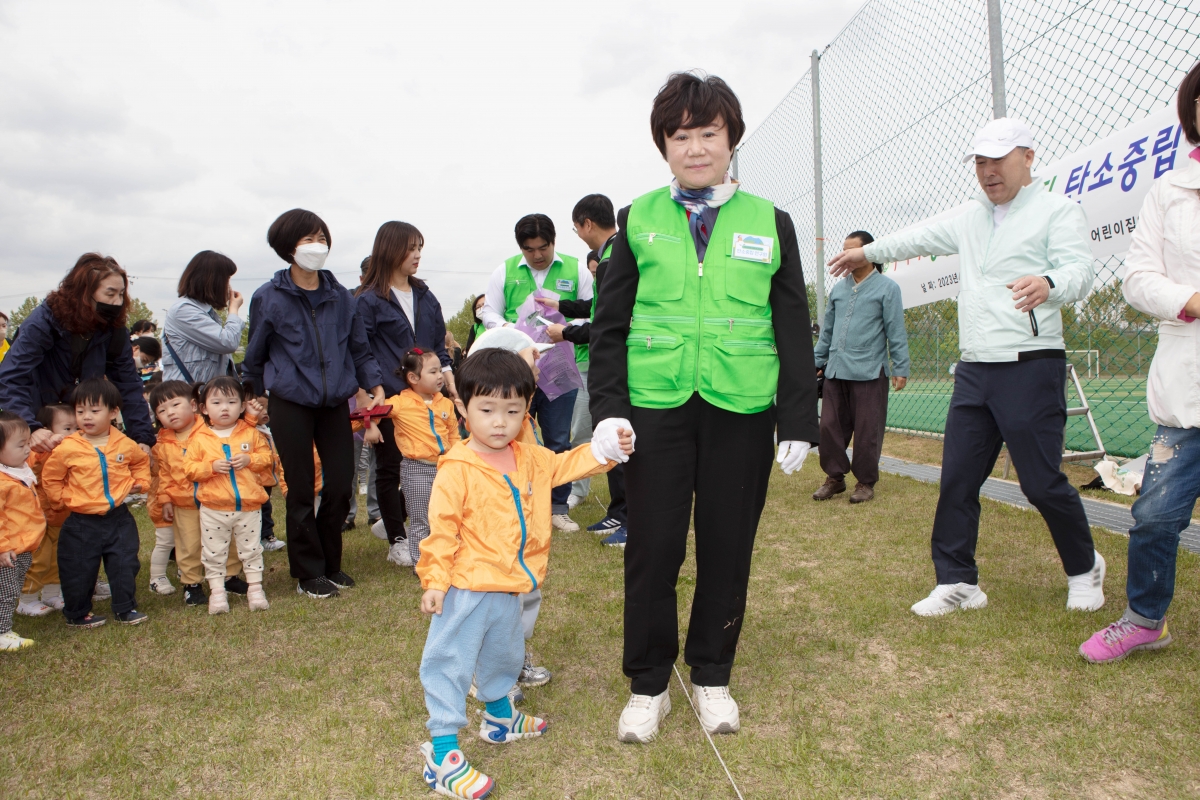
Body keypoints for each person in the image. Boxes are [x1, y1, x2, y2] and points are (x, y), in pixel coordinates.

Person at [589, 72, 819, 742]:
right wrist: (608, 409)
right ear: (664, 144)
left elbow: (792, 324)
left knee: (727, 547)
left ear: (731, 140)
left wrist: (798, 419)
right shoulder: (636, 219)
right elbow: (610, 326)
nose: (695, 148)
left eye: (708, 134)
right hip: (654, 407)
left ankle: (712, 674)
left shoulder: (770, 221)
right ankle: (648, 685)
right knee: (653, 549)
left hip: (740, 407)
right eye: (681, 135)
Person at [828, 116, 1105, 617]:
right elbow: (914, 239)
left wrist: (1049, 284)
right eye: (980, 162)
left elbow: (1080, 271)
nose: (988, 171)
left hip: (1030, 363)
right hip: (975, 369)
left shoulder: (1057, 210)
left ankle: (1085, 568)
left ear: (1028, 158)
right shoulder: (970, 217)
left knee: (1040, 482)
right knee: (956, 479)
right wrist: (863, 252)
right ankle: (957, 581)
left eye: (998, 160)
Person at [415, 348, 632, 797]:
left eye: (512, 411)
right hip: (466, 588)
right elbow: (442, 530)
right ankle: (442, 754)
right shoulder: (457, 467)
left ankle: (499, 717)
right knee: (450, 663)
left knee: (504, 655)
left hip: (511, 587)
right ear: (463, 408)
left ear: (527, 408)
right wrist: (435, 581)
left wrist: (605, 447)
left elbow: (567, 464)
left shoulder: (530, 457)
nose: (500, 422)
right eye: (487, 410)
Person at [1080, 63, 1200, 663]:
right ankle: (1145, 620)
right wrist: (1190, 299)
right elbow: (1137, 278)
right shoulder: (1169, 191)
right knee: (1155, 514)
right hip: (1187, 386)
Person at [241, 208, 385, 599]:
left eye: (321, 238)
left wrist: (372, 383)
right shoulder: (268, 297)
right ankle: (308, 572)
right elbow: (255, 353)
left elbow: (359, 347)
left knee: (340, 484)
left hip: (335, 400)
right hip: (290, 401)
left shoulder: (341, 296)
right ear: (288, 247)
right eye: (308, 239)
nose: (317, 246)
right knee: (302, 486)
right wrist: (253, 394)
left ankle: (330, 563)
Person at [480, 213, 593, 532]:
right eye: (530, 249)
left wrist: (567, 328)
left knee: (558, 439)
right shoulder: (505, 271)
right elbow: (488, 311)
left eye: (543, 247)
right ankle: (516, 503)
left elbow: (593, 310)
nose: (538, 255)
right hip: (517, 371)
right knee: (512, 438)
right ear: (521, 248)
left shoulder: (576, 269)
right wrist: (507, 327)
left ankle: (558, 507)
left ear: (554, 241)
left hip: (559, 368)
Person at [356, 222, 453, 554]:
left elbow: (438, 344)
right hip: (390, 395)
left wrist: (449, 380)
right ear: (389, 250)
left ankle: (395, 519)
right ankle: (397, 539)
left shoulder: (425, 295)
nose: (417, 255)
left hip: (428, 397)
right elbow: (361, 349)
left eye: (419, 248)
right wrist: (370, 390)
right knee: (390, 466)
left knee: (429, 461)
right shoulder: (368, 300)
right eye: (410, 248)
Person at [0, 254, 156, 452]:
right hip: (41, 425)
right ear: (84, 292)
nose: (117, 302)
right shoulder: (44, 322)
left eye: (121, 294)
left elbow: (128, 384)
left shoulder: (114, 331)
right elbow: (12, 376)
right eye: (110, 294)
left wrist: (142, 436)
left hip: (83, 427)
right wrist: (30, 427)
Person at [548, 194, 628, 543]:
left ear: (586, 224)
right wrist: (561, 305)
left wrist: (564, 333)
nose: (578, 234)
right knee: (609, 434)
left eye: (576, 228)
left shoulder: (613, 259)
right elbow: (598, 306)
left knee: (619, 436)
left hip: (615, 365)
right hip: (609, 362)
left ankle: (629, 518)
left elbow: (608, 322)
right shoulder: (612, 254)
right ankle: (619, 511)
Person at [41, 379, 151, 628]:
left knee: (125, 563)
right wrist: (61, 500)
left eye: (94, 410)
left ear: (113, 412)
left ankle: (125, 608)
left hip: (118, 518)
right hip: (81, 522)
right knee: (78, 568)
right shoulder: (68, 447)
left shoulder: (124, 443)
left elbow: (140, 462)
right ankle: (77, 613)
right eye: (80, 411)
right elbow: (51, 476)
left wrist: (141, 483)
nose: (86, 417)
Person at [812, 230, 910, 504]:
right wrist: (816, 363)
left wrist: (900, 366)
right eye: (843, 250)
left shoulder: (888, 288)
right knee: (829, 428)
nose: (845, 256)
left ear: (870, 253)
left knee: (868, 431)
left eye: (851, 251)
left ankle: (865, 483)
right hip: (835, 371)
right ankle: (835, 479)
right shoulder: (838, 289)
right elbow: (827, 333)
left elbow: (896, 331)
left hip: (869, 371)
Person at [362, 348, 460, 568]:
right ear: (413, 378)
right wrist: (371, 426)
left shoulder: (445, 404)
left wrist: (456, 457)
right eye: (433, 372)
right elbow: (373, 411)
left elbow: (453, 434)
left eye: (440, 371)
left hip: (445, 468)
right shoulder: (400, 403)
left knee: (447, 515)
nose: (440, 376)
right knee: (420, 519)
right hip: (416, 470)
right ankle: (421, 564)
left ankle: (448, 557)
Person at [183, 377, 273, 615]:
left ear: (242, 406)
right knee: (213, 551)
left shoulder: (250, 433)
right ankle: (217, 593)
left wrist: (249, 460)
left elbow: (267, 458)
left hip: (249, 505)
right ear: (204, 408)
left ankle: (255, 589)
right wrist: (210, 467)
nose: (224, 408)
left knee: (251, 548)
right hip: (214, 507)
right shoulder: (199, 437)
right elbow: (189, 469)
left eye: (231, 402)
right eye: (216, 402)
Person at [15, 404, 74, 616]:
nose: (73, 434)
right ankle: (27, 598)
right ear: (46, 430)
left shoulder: (74, 452)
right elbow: (33, 470)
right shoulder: (35, 453)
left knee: (58, 557)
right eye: (67, 429)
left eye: (76, 428)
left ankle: (51, 594)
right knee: (38, 559)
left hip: (61, 516)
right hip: (39, 518)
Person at [162, 251, 245, 384]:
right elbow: (228, 342)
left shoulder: (206, 312)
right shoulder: (184, 310)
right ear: (214, 281)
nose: (229, 286)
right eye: (227, 279)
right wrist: (233, 309)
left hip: (204, 393)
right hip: (186, 394)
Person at [0, 411, 46, 650]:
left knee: (13, 588)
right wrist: (3, 547)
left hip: (22, 547)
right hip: (8, 551)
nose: (28, 449)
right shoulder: (3, 481)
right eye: (21, 445)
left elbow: (36, 457)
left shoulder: (17, 468)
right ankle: (2, 632)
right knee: (6, 592)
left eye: (28, 442)